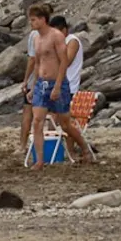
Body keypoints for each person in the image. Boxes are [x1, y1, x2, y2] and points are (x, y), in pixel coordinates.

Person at [26, 4, 92, 171]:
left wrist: (57, 86)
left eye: (34, 20)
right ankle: (39, 160)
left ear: (42, 19)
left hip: (58, 82)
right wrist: (33, 87)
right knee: (37, 121)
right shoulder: (36, 38)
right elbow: (37, 63)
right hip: (42, 82)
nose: (31, 23)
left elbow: (64, 61)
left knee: (65, 123)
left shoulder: (56, 36)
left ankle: (84, 147)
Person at [51, 15, 85, 158]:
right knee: (53, 119)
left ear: (64, 30)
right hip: (57, 85)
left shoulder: (72, 41)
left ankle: (72, 150)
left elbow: (67, 61)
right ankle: (57, 150)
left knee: (65, 121)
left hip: (69, 86)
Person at [19, 3, 51, 155]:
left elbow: (32, 60)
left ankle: (23, 145)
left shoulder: (35, 36)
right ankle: (55, 142)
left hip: (38, 79)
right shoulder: (54, 33)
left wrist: (26, 80)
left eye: (32, 20)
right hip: (49, 77)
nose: (31, 23)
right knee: (52, 114)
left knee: (28, 113)